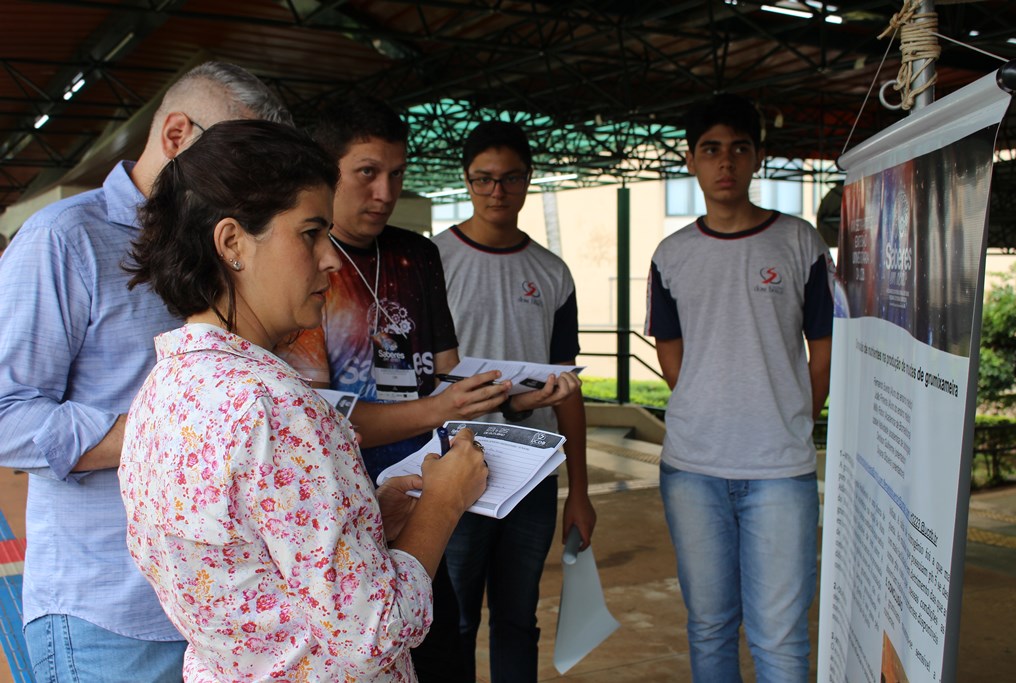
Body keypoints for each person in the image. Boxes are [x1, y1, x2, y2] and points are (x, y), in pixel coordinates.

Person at [119, 118, 489, 682]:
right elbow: (373, 629)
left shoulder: (165, 389)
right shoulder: (275, 408)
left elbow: (248, 565)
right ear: (232, 243)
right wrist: (444, 501)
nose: (331, 258)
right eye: (311, 233)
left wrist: (364, 521)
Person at [0, 61, 291, 682]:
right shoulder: (64, 239)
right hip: (112, 614)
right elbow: (7, 417)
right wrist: (175, 434)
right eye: (237, 163)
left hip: (227, 612)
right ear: (177, 134)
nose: (249, 188)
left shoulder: (223, 245)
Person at [276, 96, 582, 681]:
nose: (385, 193)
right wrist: (440, 408)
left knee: (440, 642)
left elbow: (448, 376)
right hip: (344, 499)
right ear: (326, 170)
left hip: (422, 483)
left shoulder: (417, 254)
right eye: (367, 172)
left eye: (397, 174)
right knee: (376, 643)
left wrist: (515, 399)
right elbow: (319, 420)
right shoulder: (307, 262)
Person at [644, 93, 833, 682]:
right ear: (691, 161)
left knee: (779, 638)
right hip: (692, 469)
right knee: (710, 626)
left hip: (780, 470)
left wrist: (793, 414)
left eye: (738, 149)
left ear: (758, 158)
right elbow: (671, 353)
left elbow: (824, 350)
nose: (725, 162)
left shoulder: (799, 242)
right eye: (710, 150)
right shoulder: (672, 255)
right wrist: (709, 403)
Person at [433, 120, 597, 683]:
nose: (496, 191)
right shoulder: (436, 260)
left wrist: (580, 491)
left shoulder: (551, 272)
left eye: (510, 178)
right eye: (483, 179)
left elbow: (567, 388)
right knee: (453, 621)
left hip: (533, 472)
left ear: (528, 180)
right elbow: (425, 376)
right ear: (466, 180)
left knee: (518, 620)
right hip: (456, 463)